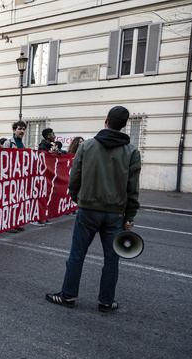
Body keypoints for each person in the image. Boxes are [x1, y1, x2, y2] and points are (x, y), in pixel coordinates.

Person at [45, 106, 141, 313]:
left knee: (77, 255)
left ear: (106, 120)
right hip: (115, 213)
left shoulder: (86, 146)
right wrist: (130, 216)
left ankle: (68, 295)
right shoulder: (132, 151)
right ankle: (106, 301)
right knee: (111, 259)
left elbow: (74, 178)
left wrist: (78, 199)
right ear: (125, 125)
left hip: (87, 208)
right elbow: (133, 188)